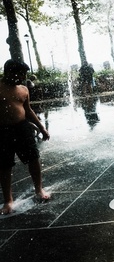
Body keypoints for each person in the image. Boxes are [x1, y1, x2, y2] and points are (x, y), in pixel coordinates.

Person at [0, 59, 51, 215]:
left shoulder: (23, 89)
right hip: (2, 131)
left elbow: (28, 110)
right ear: (8, 72)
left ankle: (39, 189)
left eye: (24, 74)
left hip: (22, 128)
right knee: (4, 165)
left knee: (33, 158)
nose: (22, 78)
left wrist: (41, 128)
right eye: (19, 74)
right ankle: (8, 200)